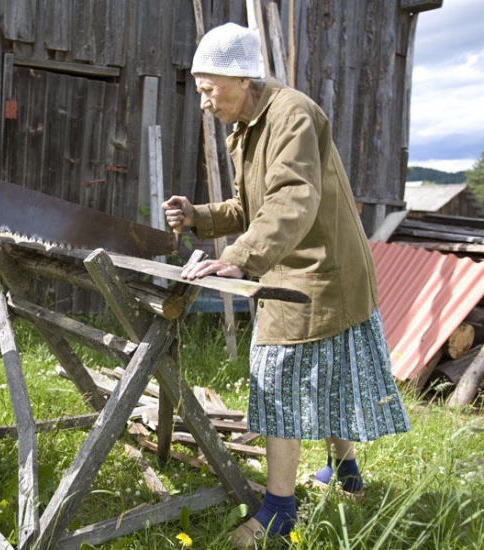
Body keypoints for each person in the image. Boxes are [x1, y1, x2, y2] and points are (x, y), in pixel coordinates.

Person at [161, 22, 411, 548]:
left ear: (242, 78)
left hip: (319, 270)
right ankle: (347, 478)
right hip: (297, 263)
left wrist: (237, 258)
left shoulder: (292, 115)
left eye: (209, 89)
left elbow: (292, 200)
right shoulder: (247, 127)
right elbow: (250, 207)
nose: (204, 102)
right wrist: (199, 216)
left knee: (278, 384)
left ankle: (278, 512)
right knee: (328, 374)